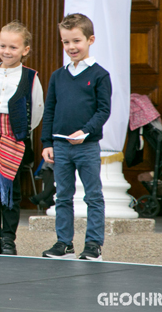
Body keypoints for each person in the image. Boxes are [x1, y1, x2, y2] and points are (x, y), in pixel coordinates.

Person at [41, 13, 111, 261]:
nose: (71, 47)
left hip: (87, 147)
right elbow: (49, 110)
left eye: (76, 41)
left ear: (90, 40)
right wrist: (47, 143)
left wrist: (86, 131)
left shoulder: (100, 75)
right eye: (66, 42)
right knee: (62, 196)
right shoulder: (57, 76)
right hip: (60, 146)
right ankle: (64, 243)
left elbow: (104, 110)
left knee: (93, 195)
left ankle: (93, 244)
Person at [0, 21, 44, 256]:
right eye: (3, 46)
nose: (7, 51)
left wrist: (19, 132)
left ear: (25, 50)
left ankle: (8, 237)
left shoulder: (30, 77)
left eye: (13, 47)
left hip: (13, 140)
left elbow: (37, 110)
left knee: (10, 190)